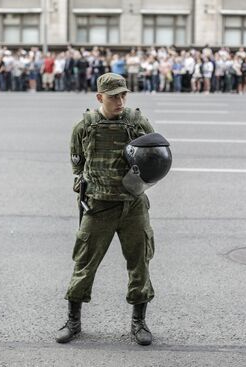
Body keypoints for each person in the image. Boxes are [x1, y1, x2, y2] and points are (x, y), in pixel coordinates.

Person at [57, 73, 161, 346]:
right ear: (99, 97)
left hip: (132, 205)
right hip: (99, 206)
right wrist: (82, 183)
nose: (120, 100)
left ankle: (138, 323)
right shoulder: (85, 126)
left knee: (139, 263)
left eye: (123, 95)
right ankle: (73, 321)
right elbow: (77, 162)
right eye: (114, 96)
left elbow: (156, 153)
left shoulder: (137, 121)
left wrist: (141, 181)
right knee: (84, 263)